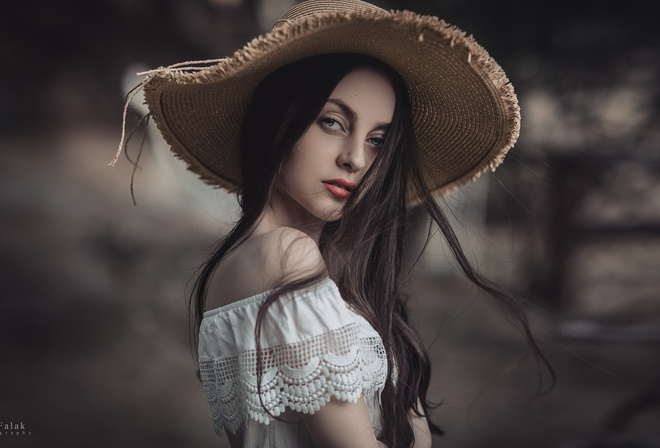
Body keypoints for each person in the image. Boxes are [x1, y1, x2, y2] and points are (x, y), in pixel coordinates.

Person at [115, 1, 553, 446]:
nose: (356, 159)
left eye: (378, 141)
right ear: (277, 119)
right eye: (332, 121)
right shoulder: (286, 256)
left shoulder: (264, 262)